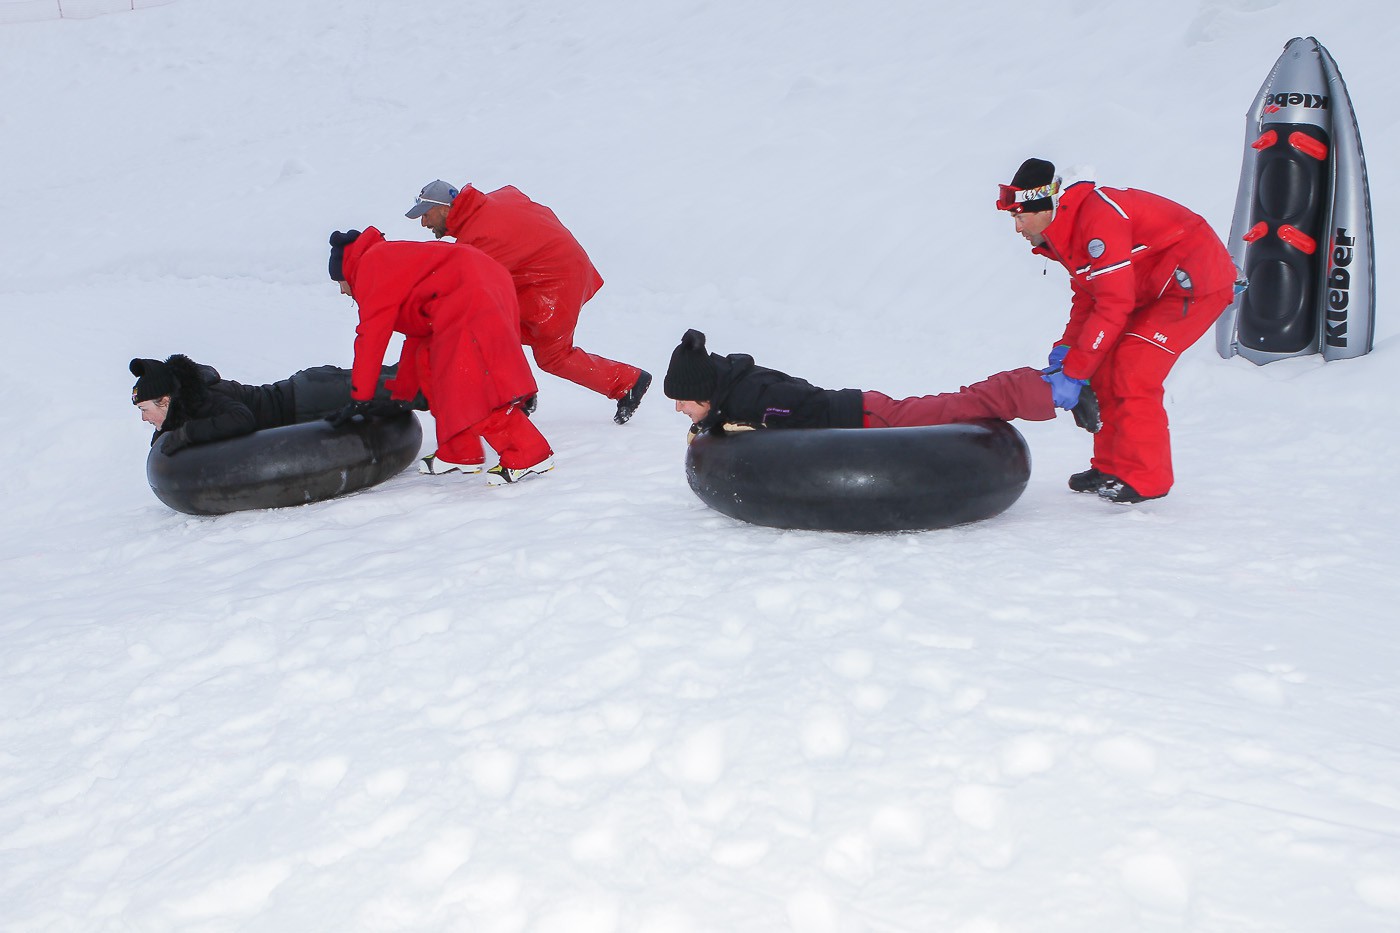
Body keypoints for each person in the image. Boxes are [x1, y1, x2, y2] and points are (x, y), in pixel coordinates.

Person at [997, 158, 1236, 503]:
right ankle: (1111, 468)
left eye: (1020, 216)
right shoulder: (1065, 227)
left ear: (1044, 206)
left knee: (1134, 370)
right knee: (1103, 367)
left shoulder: (1096, 219)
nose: (1018, 228)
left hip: (1193, 285)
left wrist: (1075, 372)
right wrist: (1068, 351)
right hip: (1149, 289)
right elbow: (1089, 295)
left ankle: (1146, 480)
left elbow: (1112, 305)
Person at [406, 179, 651, 424]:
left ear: (445, 208)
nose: (424, 222)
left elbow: (458, 289)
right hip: (547, 273)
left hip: (555, 284)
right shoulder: (492, 203)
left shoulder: (479, 238)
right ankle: (519, 393)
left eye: (426, 215)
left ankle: (628, 382)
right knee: (490, 327)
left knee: (552, 355)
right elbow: (517, 198)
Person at [328, 227, 554, 486]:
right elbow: (418, 335)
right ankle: (459, 451)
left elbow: (371, 335)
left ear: (345, 271)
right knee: (433, 370)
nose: (343, 291)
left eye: (339, 283)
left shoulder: (371, 266)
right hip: (481, 283)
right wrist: (402, 396)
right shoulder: (386, 258)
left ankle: (528, 453)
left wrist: (360, 397)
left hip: (470, 293)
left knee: (468, 384)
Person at [661, 328, 1099, 438]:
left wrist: (762, 428)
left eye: (682, 401)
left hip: (868, 418)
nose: (679, 409)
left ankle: (1047, 390)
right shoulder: (734, 390)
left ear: (704, 391)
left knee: (958, 407)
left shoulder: (755, 396)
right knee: (954, 405)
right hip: (859, 409)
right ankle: (1043, 386)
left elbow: (798, 409)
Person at [130, 355, 418, 453]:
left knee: (391, 385)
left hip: (307, 396)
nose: (144, 419)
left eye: (145, 410)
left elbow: (242, 419)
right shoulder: (183, 406)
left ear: (165, 400)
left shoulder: (203, 399)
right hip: (304, 399)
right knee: (389, 385)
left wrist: (185, 435)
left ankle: (446, 376)